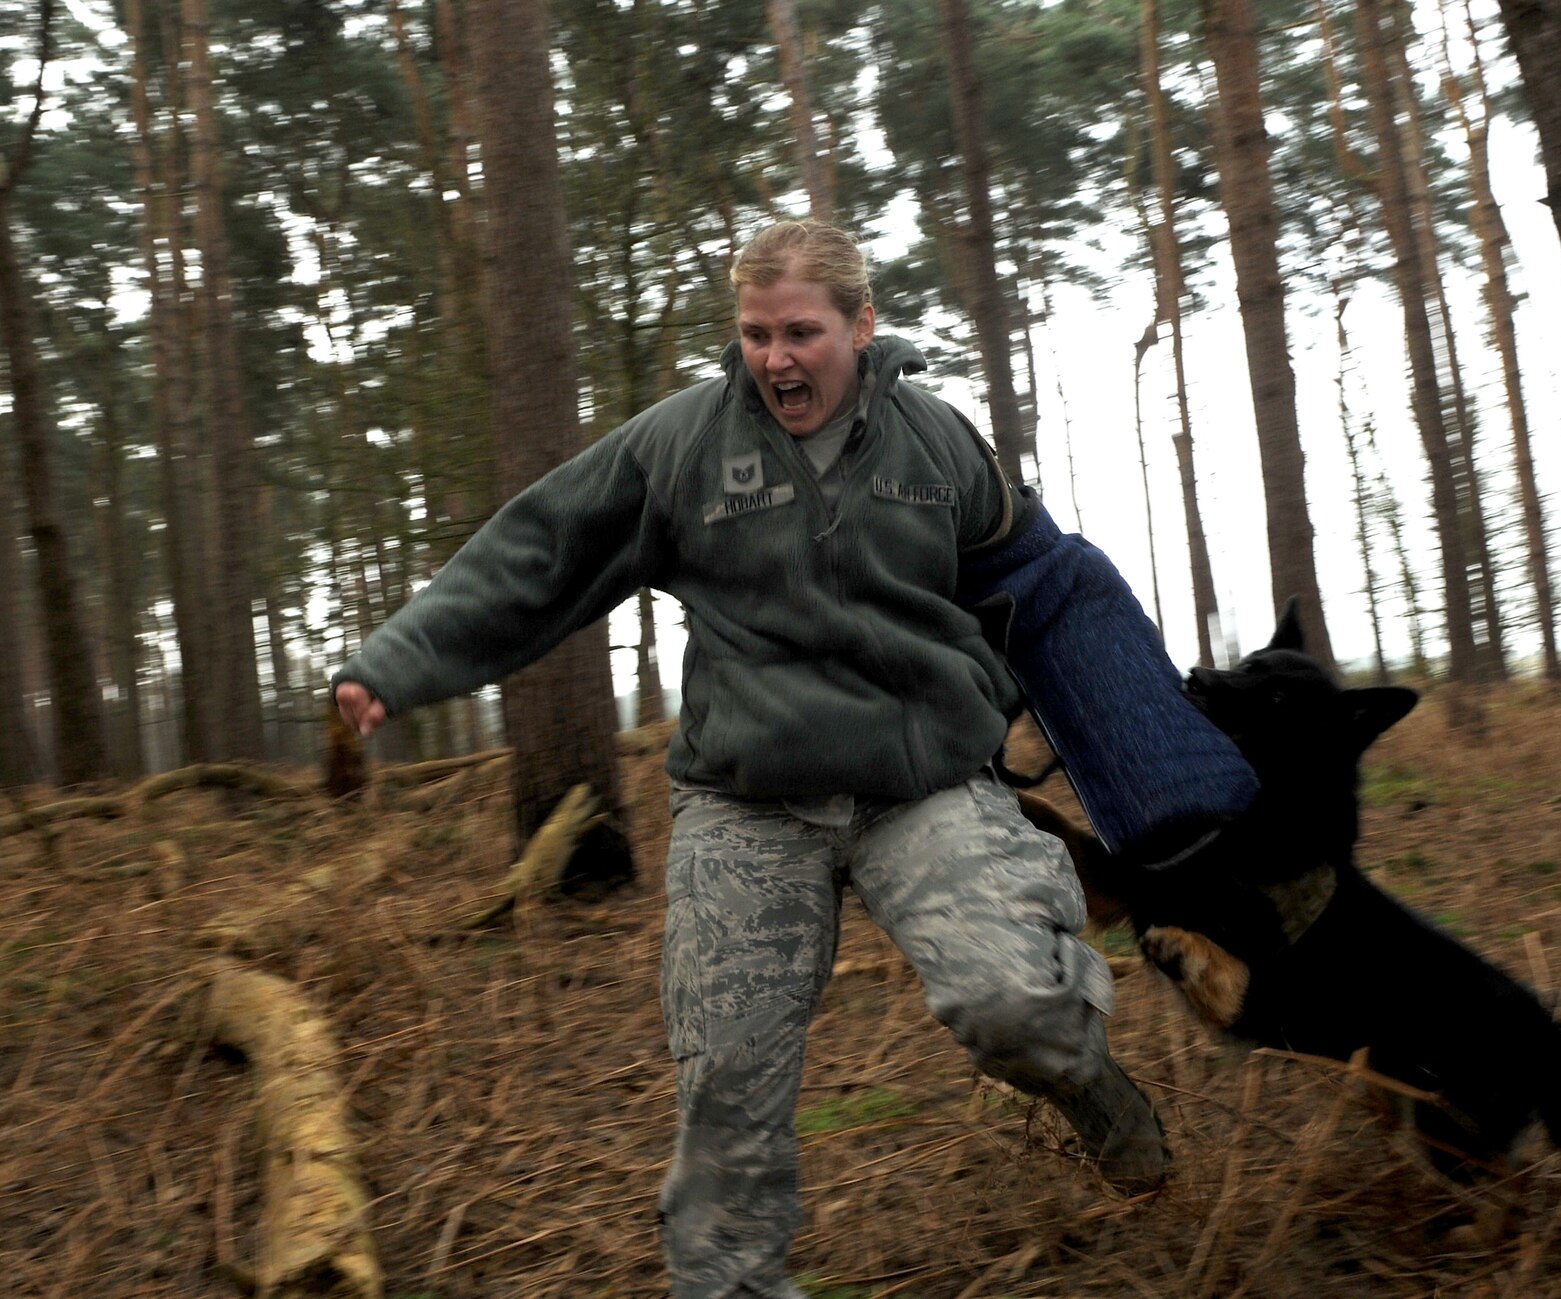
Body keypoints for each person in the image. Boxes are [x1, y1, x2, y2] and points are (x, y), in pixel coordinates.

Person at [333, 219, 1257, 1299]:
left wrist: (1143, 754)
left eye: (802, 333)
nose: (775, 358)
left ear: (862, 327)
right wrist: (396, 661)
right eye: (756, 334)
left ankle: (1090, 1088)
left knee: (1018, 1009)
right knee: (726, 1077)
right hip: (746, 803)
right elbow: (538, 551)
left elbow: (1042, 583)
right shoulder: (679, 445)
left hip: (924, 787)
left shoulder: (938, 443)